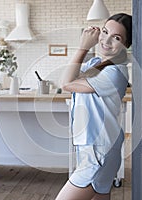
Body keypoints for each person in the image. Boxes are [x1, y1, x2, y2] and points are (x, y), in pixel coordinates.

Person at [57, 13, 132, 200]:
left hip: (99, 152)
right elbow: (71, 75)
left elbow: (65, 84)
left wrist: (83, 47)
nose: (106, 40)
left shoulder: (115, 72)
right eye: (105, 32)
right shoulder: (96, 64)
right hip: (99, 149)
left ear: (126, 45)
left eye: (116, 38)